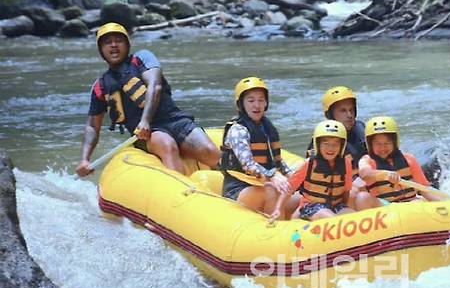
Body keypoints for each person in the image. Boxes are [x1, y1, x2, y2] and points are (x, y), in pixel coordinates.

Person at [75, 22, 219, 177]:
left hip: (174, 120)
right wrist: (85, 159)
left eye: (119, 40)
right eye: (107, 42)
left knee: (210, 151)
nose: (114, 45)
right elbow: (92, 127)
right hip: (146, 134)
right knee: (167, 144)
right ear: (101, 50)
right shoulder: (100, 86)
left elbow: (155, 86)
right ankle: (182, 193)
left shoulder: (142, 58)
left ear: (127, 44)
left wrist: (145, 120)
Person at [219, 77, 296, 216]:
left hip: (264, 184)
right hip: (238, 189)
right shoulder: (238, 130)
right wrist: (272, 176)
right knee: (271, 190)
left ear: (266, 103)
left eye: (261, 100)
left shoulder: (267, 128)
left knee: (301, 195)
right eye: (251, 100)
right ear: (241, 104)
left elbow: (277, 162)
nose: (257, 105)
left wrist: (294, 178)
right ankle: (273, 230)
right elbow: (247, 164)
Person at [272, 120, 354, 221]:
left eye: (335, 144)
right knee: (330, 217)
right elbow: (289, 188)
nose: (331, 148)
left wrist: (344, 208)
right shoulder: (309, 164)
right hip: (310, 207)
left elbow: (346, 192)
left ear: (342, 146)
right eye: (326, 143)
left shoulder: (346, 164)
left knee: (352, 217)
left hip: (335, 206)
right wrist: (278, 209)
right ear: (318, 144)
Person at [355, 116, 444, 209]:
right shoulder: (367, 160)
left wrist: (445, 204)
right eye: (378, 144)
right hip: (385, 207)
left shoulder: (409, 159)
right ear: (370, 144)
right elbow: (364, 173)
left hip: (412, 203)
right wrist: (384, 174)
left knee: (422, 202)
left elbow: (424, 189)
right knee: (362, 197)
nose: (382, 148)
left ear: (394, 142)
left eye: (387, 143)